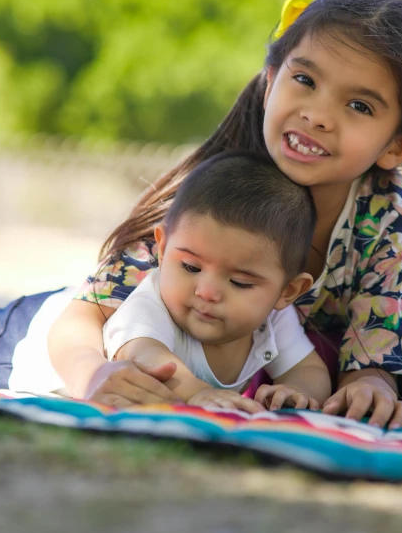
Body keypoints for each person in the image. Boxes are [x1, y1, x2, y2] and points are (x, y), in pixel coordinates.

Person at [0, 0, 402, 425]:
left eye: (359, 105)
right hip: (68, 341)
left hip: (240, 365)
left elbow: (372, 352)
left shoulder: (393, 216)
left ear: (397, 146)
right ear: (271, 78)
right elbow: (88, 315)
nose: (318, 115)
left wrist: (372, 385)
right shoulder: (217, 192)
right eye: (305, 79)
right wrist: (92, 375)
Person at [98, 151, 331, 413]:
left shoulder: (273, 318)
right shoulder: (149, 305)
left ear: (288, 291)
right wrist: (197, 393)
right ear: (162, 250)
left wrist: (298, 390)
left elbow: (307, 368)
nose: (207, 292)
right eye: (190, 267)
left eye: (240, 282)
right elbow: (145, 356)